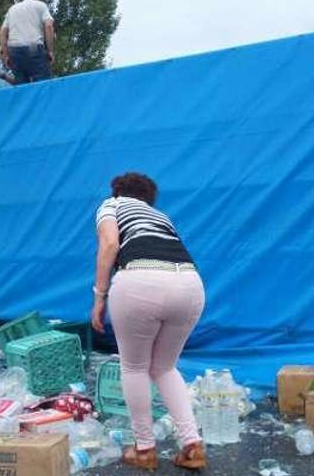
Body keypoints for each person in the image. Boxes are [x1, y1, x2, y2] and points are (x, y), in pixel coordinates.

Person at [91, 172, 207, 470]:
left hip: (141, 279)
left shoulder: (112, 205)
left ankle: (144, 449)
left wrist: (99, 296)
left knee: (134, 366)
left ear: (118, 191)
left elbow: (109, 245)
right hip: (190, 283)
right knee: (165, 367)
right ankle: (192, 444)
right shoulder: (160, 215)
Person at [0, 0, 55, 85]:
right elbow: (49, 26)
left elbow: (2, 32)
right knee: (42, 86)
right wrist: (50, 51)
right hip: (34, 49)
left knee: (22, 87)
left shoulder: (12, 9)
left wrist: (5, 55)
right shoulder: (41, 5)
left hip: (14, 52)